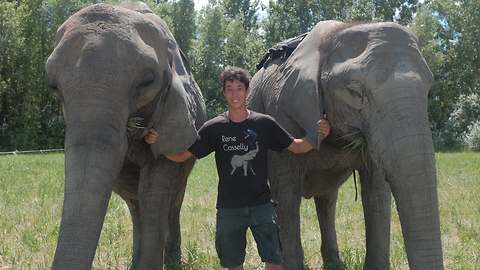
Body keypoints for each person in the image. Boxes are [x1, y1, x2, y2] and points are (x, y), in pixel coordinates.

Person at [145, 66, 330, 270]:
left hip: (261, 206)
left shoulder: (264, 123)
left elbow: (296, 146)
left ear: (248, 91)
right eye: (230, 89)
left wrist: (318, 134)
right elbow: (181, 156)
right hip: (229, 209)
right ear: (224, 92)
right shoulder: (214, 127)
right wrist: (157, 143)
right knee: (234, 265)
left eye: (239, 88)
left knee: (275, 262)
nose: (235, 94)